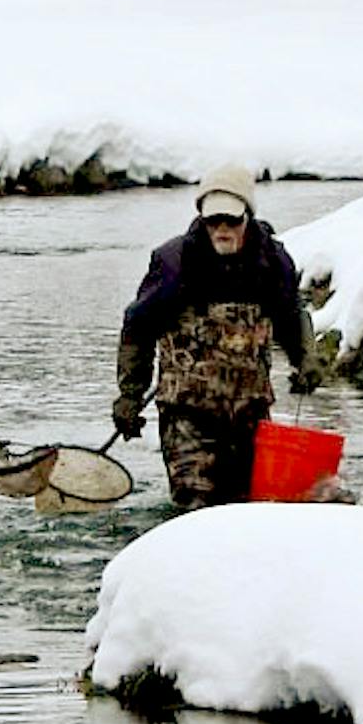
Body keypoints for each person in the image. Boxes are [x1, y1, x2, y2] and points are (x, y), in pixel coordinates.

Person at [112, 163, 324, 510]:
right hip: (186, 416)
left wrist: (306, 360)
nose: (222, 228)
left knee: (249, 510)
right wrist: (130, 395)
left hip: (250, 415)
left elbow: (290, 316)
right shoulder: (173, 262)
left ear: (247, 217)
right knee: (194, 507)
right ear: (201, 218)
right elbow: (138, 327)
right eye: (214, 220)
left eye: (231, 219)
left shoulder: (273, 262)